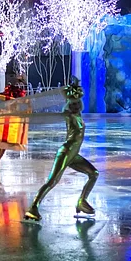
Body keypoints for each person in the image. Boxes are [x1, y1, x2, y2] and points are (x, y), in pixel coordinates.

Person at [24, 78, 98, 223]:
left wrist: (75, 86)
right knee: (52, 181)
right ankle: (33, 207)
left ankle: (82, 202)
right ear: (69, 104)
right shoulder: (68, 114)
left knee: (93, 174)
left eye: (77, 103)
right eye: (73, 103)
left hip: (73, 155)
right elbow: (66, 106)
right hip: (66, 152)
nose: (76, 106)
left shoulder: (78, 115)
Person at [0, 83, 29, 172]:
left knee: (4, 144)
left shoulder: (15, 102)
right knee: (2, 143)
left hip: (10, 121)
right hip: (5, 120)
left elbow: (27, 110)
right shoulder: (11, 102)